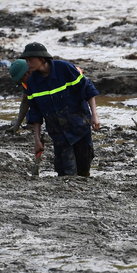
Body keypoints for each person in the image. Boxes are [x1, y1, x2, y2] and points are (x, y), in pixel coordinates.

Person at [22, 42, 100, 176]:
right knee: (66, 173)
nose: (27, 63)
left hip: (80, 127)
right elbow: (35, 113)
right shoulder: (32, 83)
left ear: (42, 59)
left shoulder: (64, 69)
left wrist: (94, 115)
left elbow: (87, 89)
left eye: (30, 60)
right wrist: (37, 140)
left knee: (84, 169)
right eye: (26, 60)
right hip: (58, 134)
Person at [8, 59, 31, 133]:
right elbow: (25, 102)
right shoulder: (26, 83)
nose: (22, 82)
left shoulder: (43, 75)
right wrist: (17, 125)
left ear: (28, 72)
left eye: (22, 79)